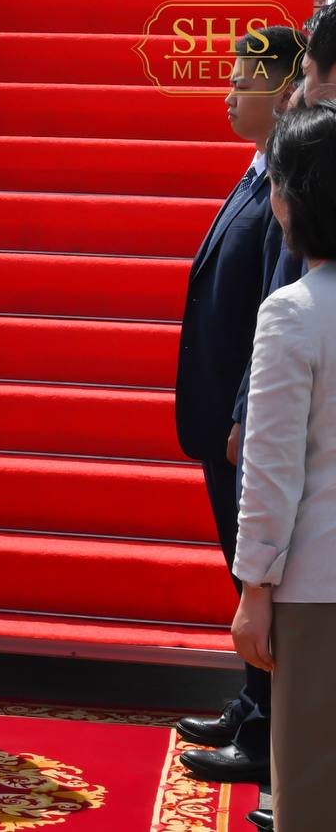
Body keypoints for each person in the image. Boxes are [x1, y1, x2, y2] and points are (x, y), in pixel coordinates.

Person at [173, 26, 305, 788]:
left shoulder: (292, 178)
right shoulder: (258, 168)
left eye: (241, 81)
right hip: (222, 415)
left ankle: (264, 735)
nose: (227, 93)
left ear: (284, 90)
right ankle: (252, 704)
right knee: (240, 571)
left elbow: (271, 305)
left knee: (259, 578)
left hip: (239, 423)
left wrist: (243, 415)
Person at [231, 101, 336, 832]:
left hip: (317, 581)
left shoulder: (294, 310)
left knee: (309, 784)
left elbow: (271, 469)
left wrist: (254, 587)